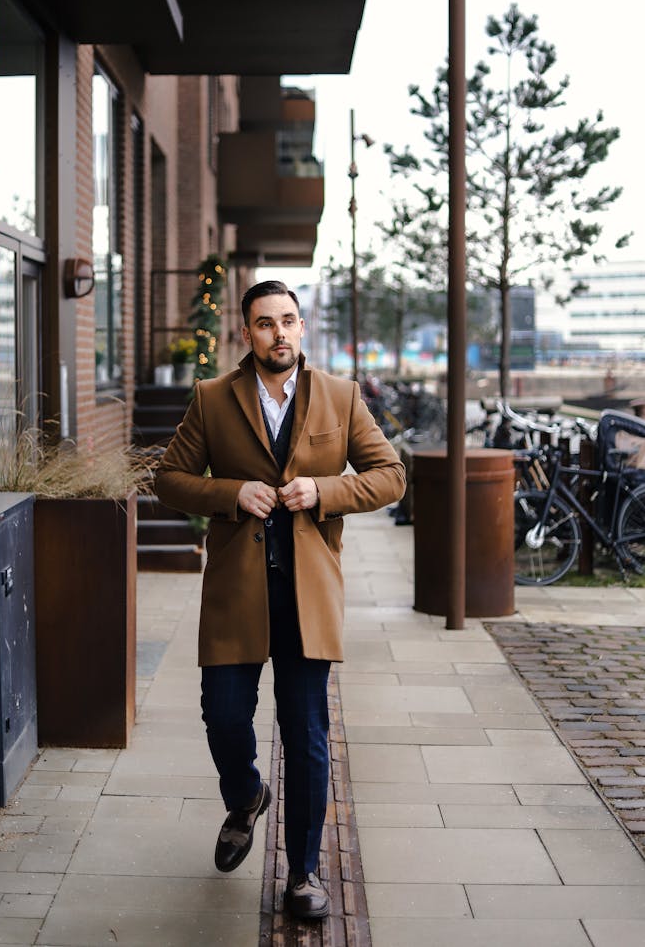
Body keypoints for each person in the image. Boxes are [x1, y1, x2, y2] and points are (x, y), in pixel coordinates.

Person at [155, 280, 406, 921]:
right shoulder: (213, 399)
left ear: (302, 327)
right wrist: (231, 492)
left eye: (289, 321)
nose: (279, 334)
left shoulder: (342, 397)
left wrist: (323, 491)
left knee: (308, 734)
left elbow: (390, 476)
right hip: (238, 592)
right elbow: (168, 480)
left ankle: (304, 873)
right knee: (224, 717)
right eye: (266, 324)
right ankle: (245, 796)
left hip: (307, 595)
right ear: (247, 333)